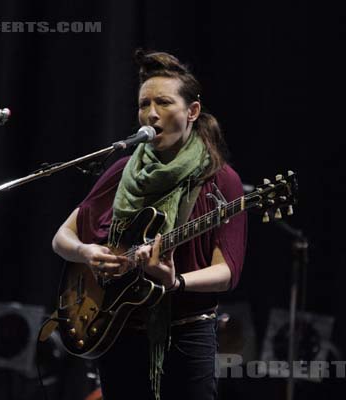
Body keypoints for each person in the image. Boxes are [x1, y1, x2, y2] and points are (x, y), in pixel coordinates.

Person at [51, 49, 247, 400]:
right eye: (144, 104)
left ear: (192, 112)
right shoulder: (124, 170)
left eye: (164, 103)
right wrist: (87, 251)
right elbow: (62, 237)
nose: (151, 114)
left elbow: (228, 271)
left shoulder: (219, 180)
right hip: (118, 329)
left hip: (186, 333)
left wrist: (176, 281)